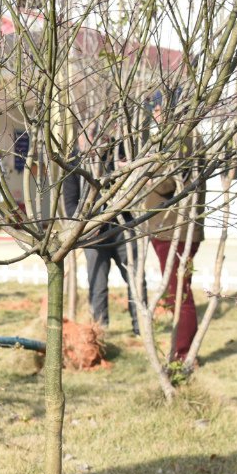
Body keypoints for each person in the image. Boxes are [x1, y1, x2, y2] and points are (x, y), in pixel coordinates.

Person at [60, 140, 139, 333]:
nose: (95, 141)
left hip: (121, 228)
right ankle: (100, 331)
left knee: (135, 279)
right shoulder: (73, 164)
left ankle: (140, 327)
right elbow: (70, 204)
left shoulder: (116, 153)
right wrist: (86, 226)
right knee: (98, 285)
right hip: (93, 237)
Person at [142, 159, 205, 367]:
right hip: (170, 229)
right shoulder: (179, 137)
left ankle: (184, 354)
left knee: (179, 294)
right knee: (176, 293)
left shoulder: (182, 138)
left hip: (174, 231)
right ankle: (182, 349)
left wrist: (143, 168)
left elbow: (166, 184)